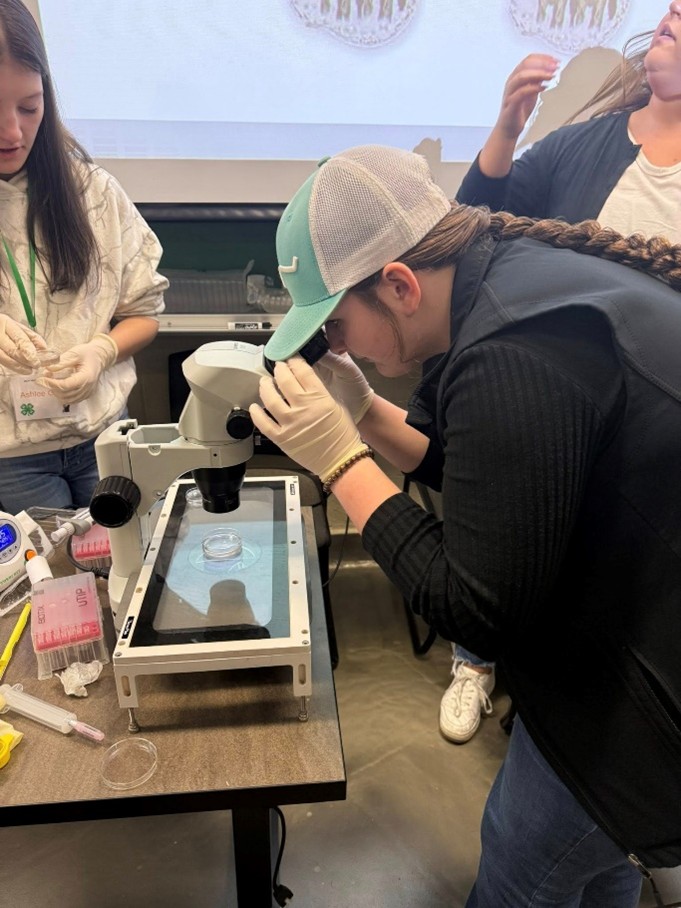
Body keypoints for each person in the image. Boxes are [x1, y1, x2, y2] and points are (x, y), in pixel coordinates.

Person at [248, 143, 681, 906]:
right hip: (633, 601)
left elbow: (473, 606)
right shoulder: (502, 280)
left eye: (339, 325)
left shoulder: (515, 351)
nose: (337, 345)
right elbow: (505, 484)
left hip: (645, 685)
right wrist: (366, 414)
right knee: (602, 862)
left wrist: (338, 462)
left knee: (524, 869)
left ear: (399, 284)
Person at [441, 1, 681, 744]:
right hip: (551, 394)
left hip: (646, 417)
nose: (669, 9)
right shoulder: (588, 143)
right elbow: (477, 220)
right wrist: (507, 129)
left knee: (597, 560)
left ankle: (551, 688)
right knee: (514, 526)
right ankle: (475, 662)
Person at [0, 0, 166, 514]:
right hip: (12, 459)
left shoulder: (91, 192)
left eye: (29, 107)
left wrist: (101, 352)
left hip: (102, 437)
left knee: (125, 569)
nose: (12, 132)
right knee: (44, 586)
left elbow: (143, 314)